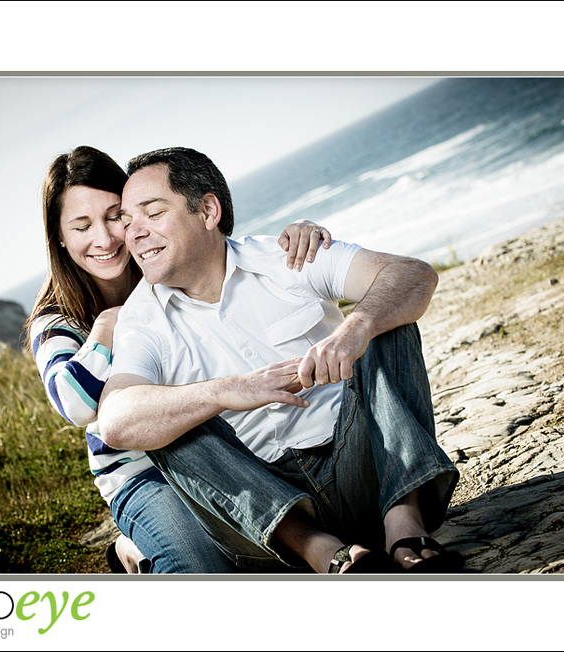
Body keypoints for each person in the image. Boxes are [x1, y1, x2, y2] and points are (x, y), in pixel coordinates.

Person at [99, 147, 462, 574]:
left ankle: (404, 523)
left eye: (153, 213)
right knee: (167, 418)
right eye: (126, 219)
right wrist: (226, 392)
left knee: (386, 319)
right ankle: (330, 556)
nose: (133, 233)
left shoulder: (287, 256)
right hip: (268, 518)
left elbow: (413, 274)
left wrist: (355, 328)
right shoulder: (141, 318)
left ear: (208, 210)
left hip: (365, 470)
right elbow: (116, 420)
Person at [24, 145, 334, 573]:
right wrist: (105, 331)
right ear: (59, 237)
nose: (106, 238)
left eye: (115, 215)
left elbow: (224, 255)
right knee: (203, 571)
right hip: (144, 476)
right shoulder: (57, 321)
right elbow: (74, 404)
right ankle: (132, 549)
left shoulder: (163, 265)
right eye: (81, 226)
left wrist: (301, 233)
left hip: (225, 452)